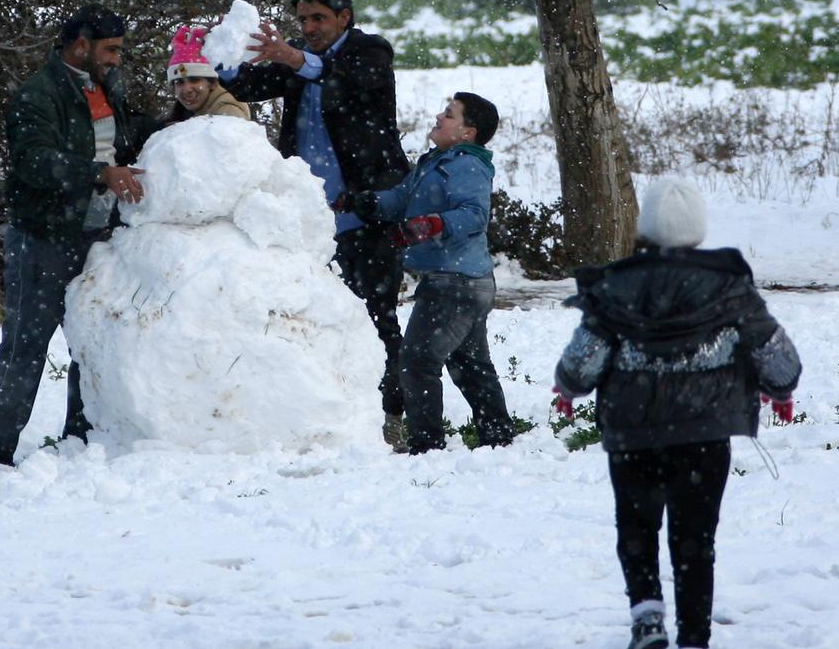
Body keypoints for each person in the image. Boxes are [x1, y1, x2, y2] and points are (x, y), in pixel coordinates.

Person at [552, 178, 802, 649]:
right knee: (695, 537)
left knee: (636, 524)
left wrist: (567, 387)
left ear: (645, 228)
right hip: (703, 434)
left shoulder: (616, 285)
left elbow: (583, 363)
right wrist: (780, 388)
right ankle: (693, 636)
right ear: (697, 230)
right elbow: (778, 356)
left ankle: (647, 617)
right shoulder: (730, 287)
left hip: (633, 432)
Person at [219, 0, 411, 450]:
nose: (309, 26)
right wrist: (216, 58)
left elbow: (346, 78)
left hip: (366, 215)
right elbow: (248, 84)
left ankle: (394, 415)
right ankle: (330, 413)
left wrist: (294, 58)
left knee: (376, 316)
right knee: (313, 319)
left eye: (318, 18)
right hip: (308, 221)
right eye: (302, 19)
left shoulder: (370, 52)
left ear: (344, 16)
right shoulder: (299, 64)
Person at [0, 5, 158, 467]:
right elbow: (35, 162)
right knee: (25, 345)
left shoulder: (103, 86)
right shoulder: (38, 95)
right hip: (44, 240)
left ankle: (79, 438)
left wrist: (180, 125)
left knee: (90, 341)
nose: (118, 58)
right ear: (81, 46)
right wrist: (101, 173)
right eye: (111, 49)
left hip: (95, 237)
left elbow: (123, 132)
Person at [336, 93, 514, 454]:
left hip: (456, 281)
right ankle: (498, 437)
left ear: (468, 132)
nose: (438, 116)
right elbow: (399, 200)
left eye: (449, 114)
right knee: (470, 363)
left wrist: (433, 224)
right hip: (462, 280)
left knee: (416, 361)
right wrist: (363, 201)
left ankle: (426, 445)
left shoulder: (467, 165)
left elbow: (474, 215)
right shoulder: (437, 162)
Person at [163, 26, 249, 124]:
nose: (187, 89)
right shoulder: (183, 115)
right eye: (179, 82)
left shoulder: (229, 114)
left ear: (213, 83)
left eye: (194, 80)